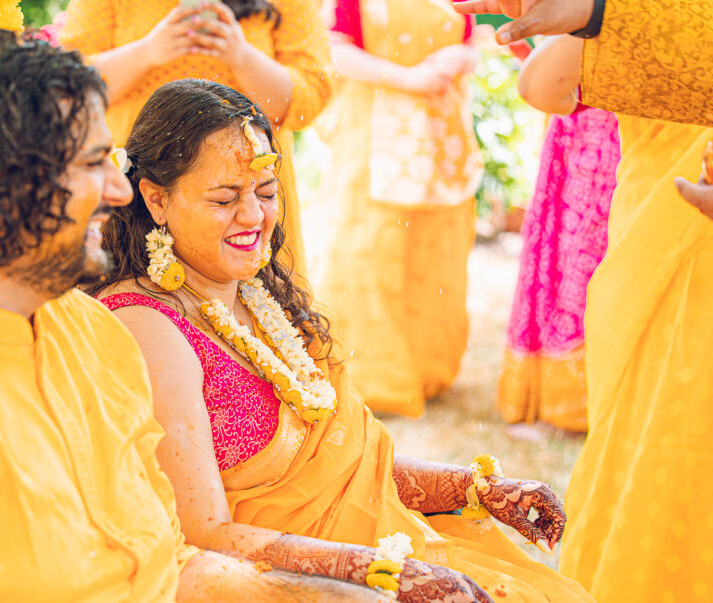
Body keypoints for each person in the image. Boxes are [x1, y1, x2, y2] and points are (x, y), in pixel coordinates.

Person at [0, 31, 391, 602]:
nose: (119, 190)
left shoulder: (91, 334)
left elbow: (173, 564)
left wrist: (331, 596)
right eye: (90, 164)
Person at [93, 78, 595, 603]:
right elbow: (205, 535)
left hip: (379, 553)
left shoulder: (255, 293)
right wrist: (375, 572)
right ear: (155, 199)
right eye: (224, 199)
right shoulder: (148, 326)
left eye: (266, 193)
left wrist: (477, 489)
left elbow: (352, 470)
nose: (254, 217)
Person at [434, 0, 713, 601]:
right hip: (651, 246)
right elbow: (544, 84)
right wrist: (602, 0)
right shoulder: (660, 5)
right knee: (649, 453)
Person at [58, 0, 331, 274]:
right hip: (140, 195)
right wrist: (148, 52)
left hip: (247, 205)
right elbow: (70, 91)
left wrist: (240, 54)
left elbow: (310, 99)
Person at [308, 0, 482, 417]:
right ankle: (373, 376)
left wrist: (458, 59)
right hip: (376, 130)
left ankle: (429, 368)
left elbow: (472, 40)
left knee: (439, 245)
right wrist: (409, 77)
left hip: (440, 133)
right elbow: (334, 50)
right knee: (373, 245)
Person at [497, 0, 656, 433]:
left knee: (583, 255)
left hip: (599, 141)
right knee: (577, 253)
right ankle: (572, 395)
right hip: (578, 133)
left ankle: (581, 398)